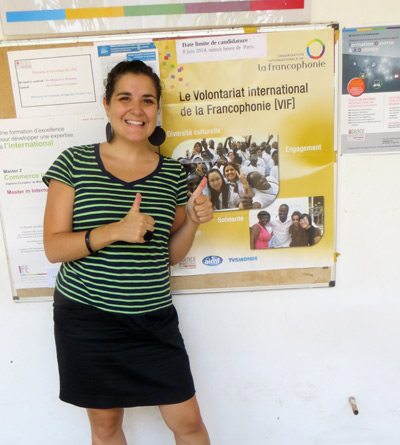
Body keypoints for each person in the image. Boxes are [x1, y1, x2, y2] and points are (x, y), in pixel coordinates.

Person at [42, 60, 212, 445]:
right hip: (88, 317)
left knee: (188, 423)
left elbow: (168, 255)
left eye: (147, 100)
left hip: (153, 319)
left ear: (157, 110)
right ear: (106, 104)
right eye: (125, 98)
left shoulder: (172, 175)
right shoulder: (74, 162)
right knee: (105, 427)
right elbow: (54, 247)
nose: (137, 109)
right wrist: (116, 231)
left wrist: (192, 222)